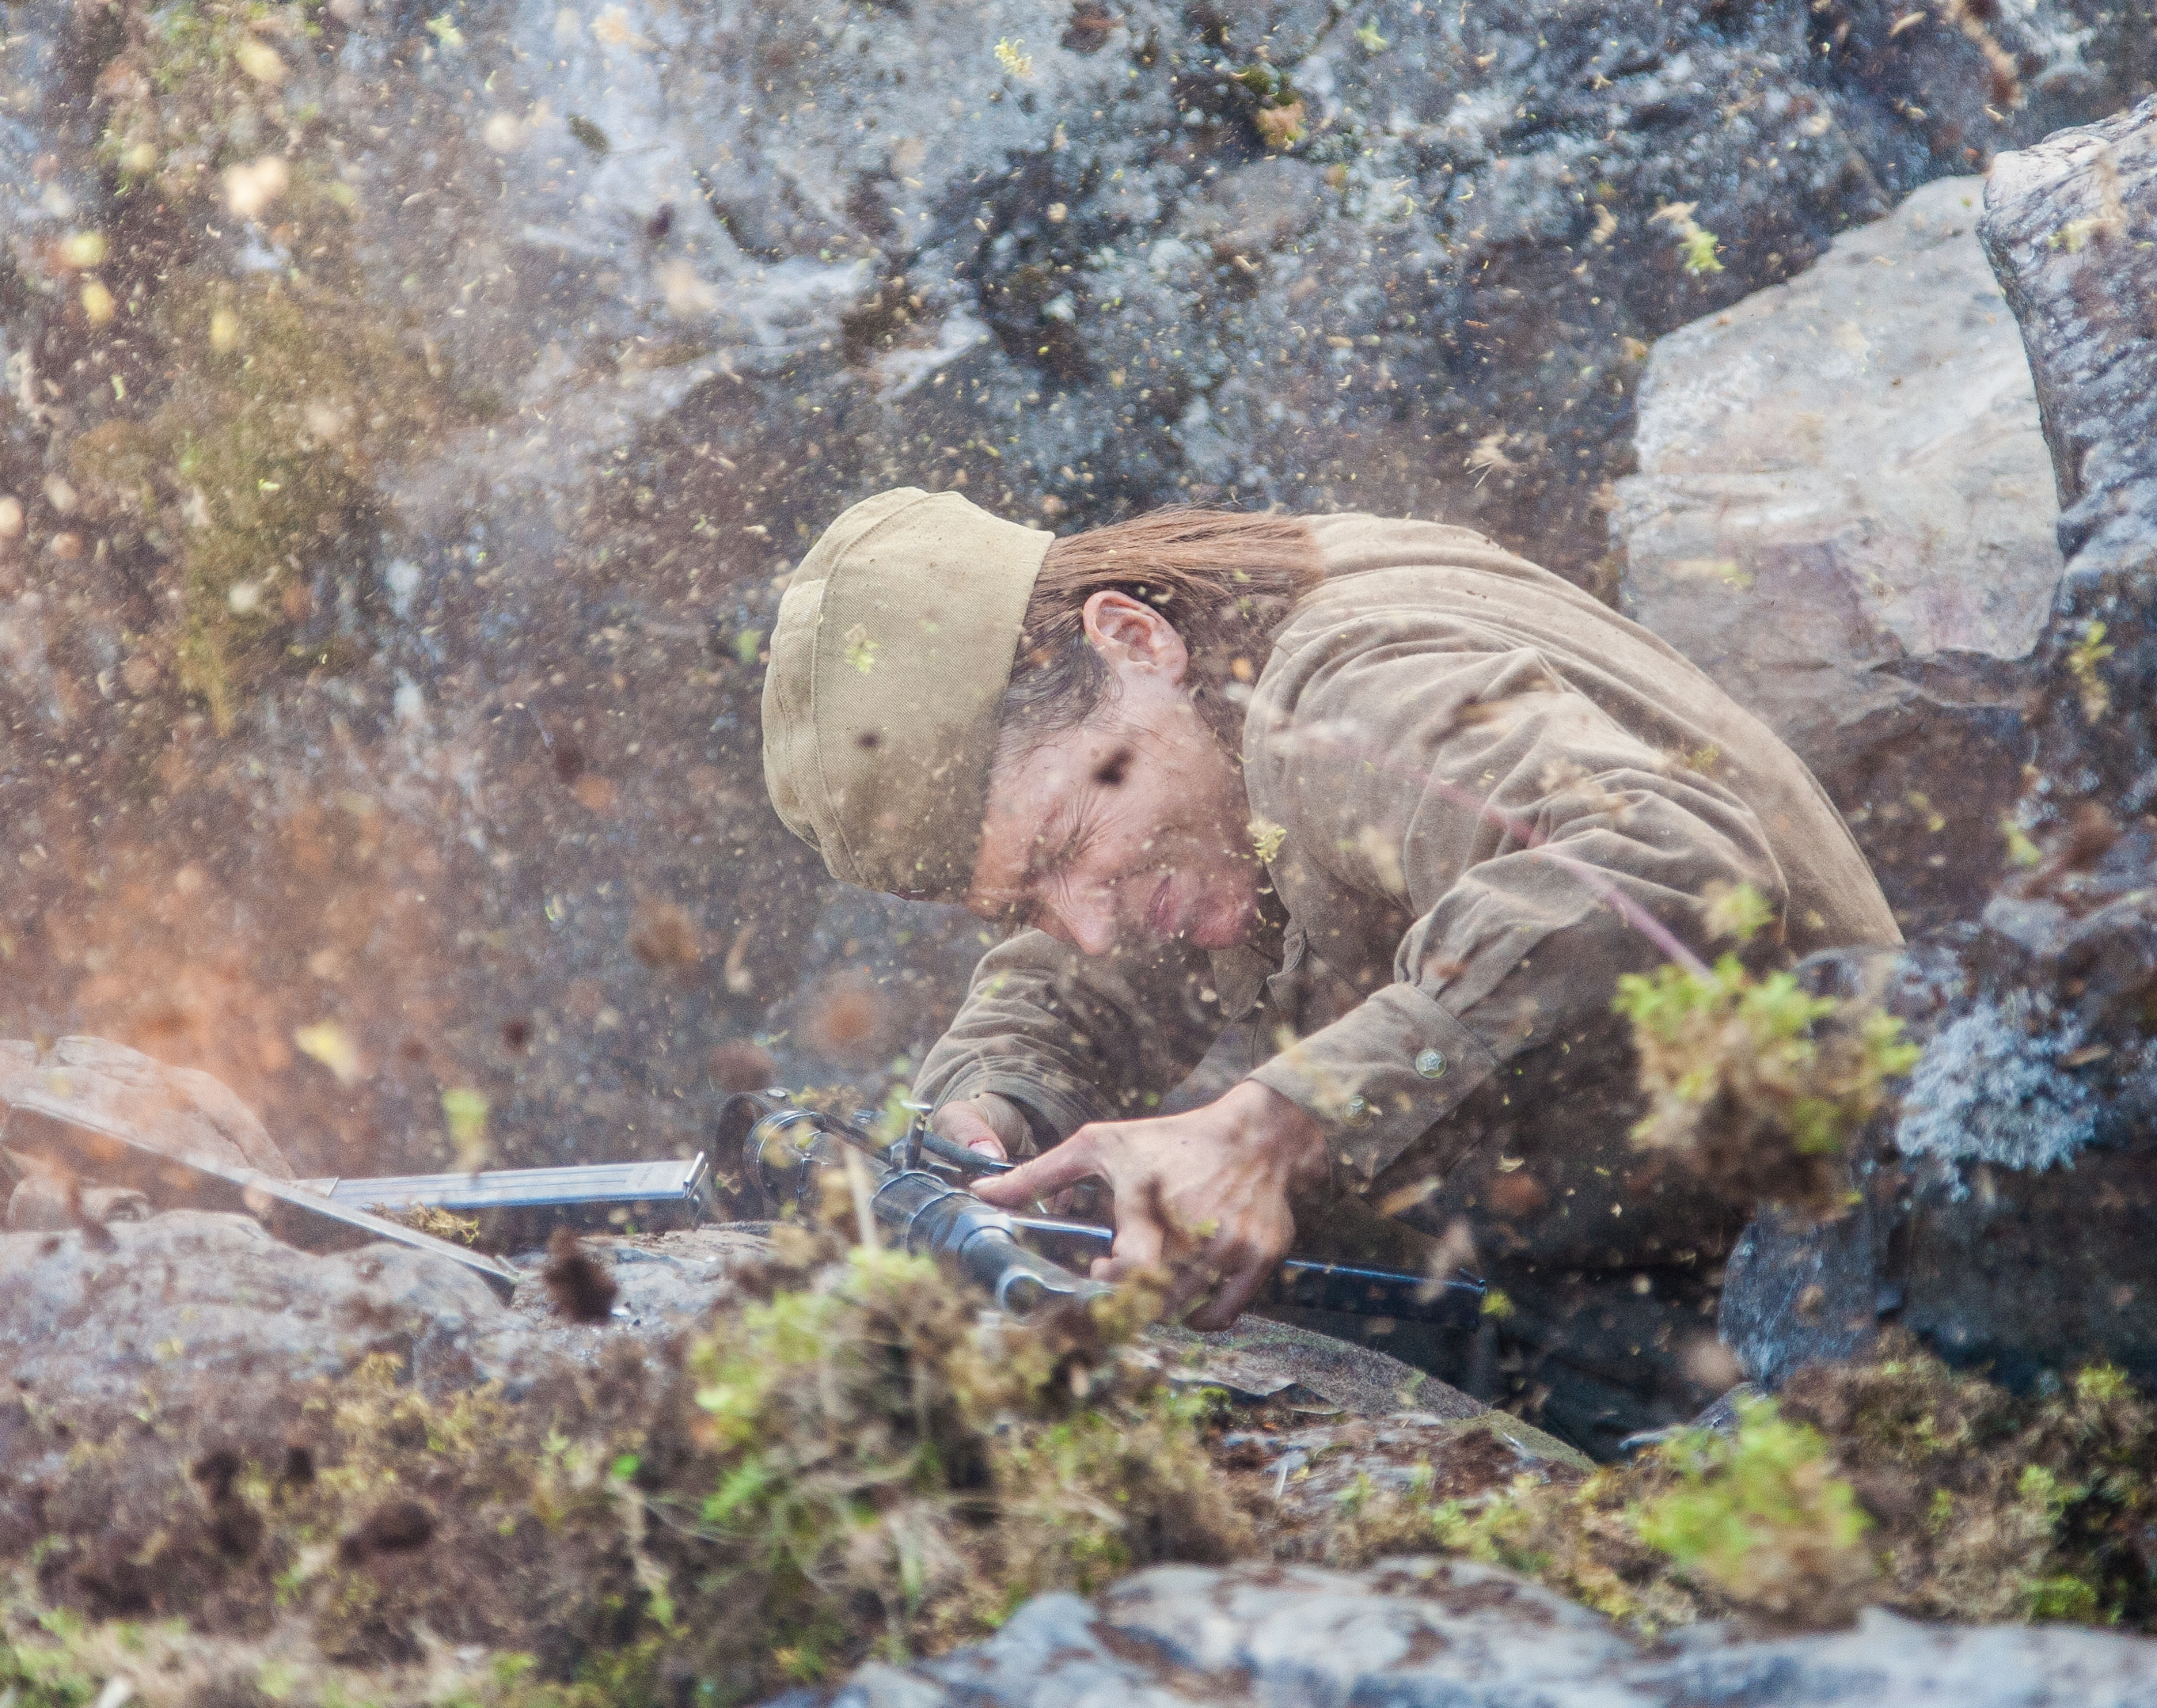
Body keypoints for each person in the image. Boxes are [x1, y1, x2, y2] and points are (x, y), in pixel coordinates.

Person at [759, 489, 1898, 1455]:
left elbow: (1663, 863)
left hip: (1857, 1285)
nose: (1085, 927)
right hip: (1665, 1261)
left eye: (1059, 849)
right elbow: (1082, 973)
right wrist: (994, 1105)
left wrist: (1270, 1125)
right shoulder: (1208, 693)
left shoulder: (1341, 693)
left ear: (1129, 640)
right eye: (1022, 900)